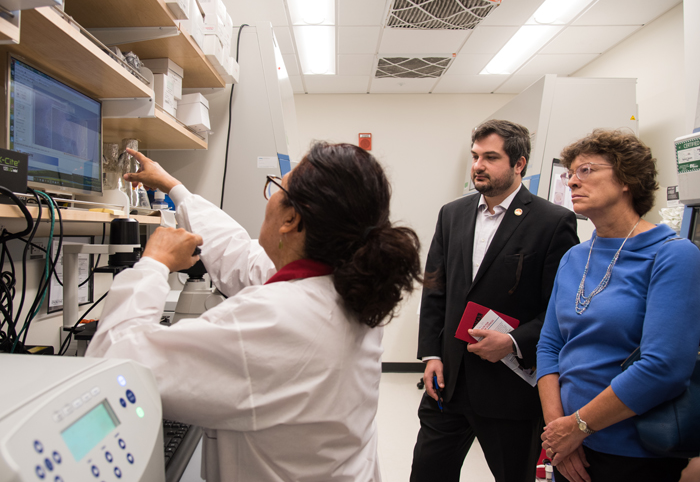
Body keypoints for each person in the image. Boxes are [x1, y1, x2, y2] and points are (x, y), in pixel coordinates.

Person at [86, 142, 424, 481]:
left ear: (292, 219)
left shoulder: (276, 319)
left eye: (277, 187)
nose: (270, 196)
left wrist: (153, 264)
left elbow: (116, 363)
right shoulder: (351, 285)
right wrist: (176, 189)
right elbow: (242, 258)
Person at [411, 119, 579, 482]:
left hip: (508, 387)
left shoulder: (553, 223)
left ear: (519, 164)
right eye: (475, 156)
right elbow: (436, 290)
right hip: (449, 383)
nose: (478, 166)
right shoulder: (452, 214)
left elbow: (559, 308)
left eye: (490, 157)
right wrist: (432, 355)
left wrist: (515, 341)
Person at [537, 129, 700, 482]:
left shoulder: (673, 255)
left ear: (627, 179)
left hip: (634, 451)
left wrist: (580, 425)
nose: (572, 183)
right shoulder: (574, 257)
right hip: (569, 446)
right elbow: (549, 346)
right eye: (569, 174)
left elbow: (664, 367)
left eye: (586, 171)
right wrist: (558, 433)